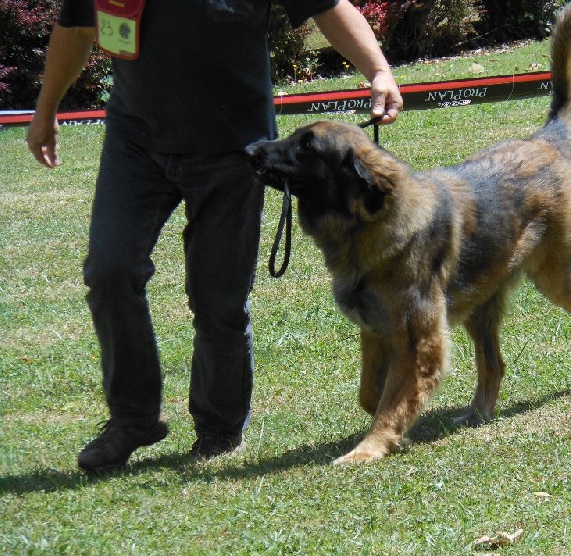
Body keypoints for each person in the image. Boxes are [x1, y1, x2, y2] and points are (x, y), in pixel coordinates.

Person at [26, 0, 403, 473]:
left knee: (217, 296)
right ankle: (133, 419)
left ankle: (219, 429)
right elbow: (76, 27)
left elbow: (327, 6)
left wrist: (378, 71)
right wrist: (46, 109)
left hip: (232, 147)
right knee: (110, 268)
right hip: (136, 141)